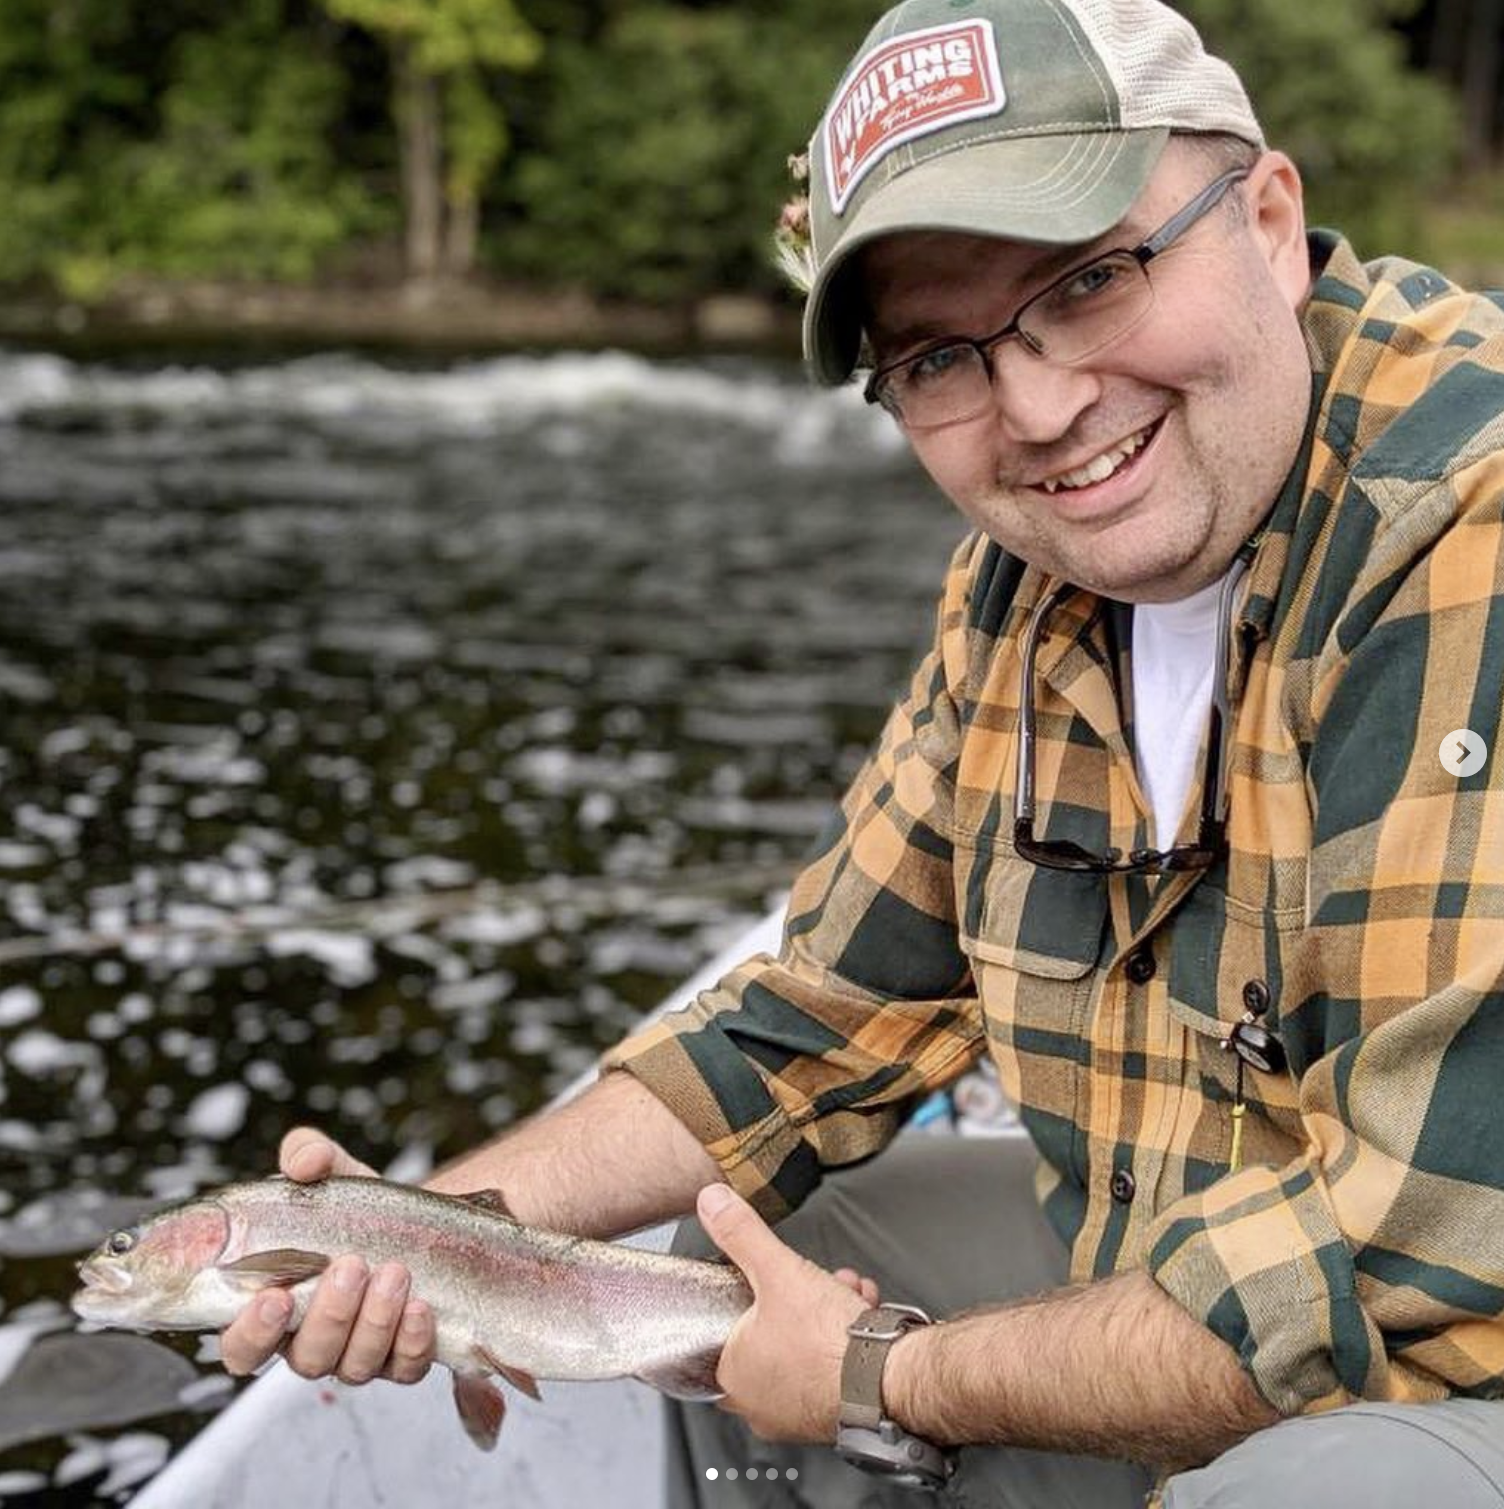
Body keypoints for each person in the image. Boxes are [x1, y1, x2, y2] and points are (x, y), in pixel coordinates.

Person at [221, 0, 1504, 1503]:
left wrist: (882, 1381)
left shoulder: (1463, 534)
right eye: (940, 358)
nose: (1039, 409)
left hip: (1460, 1328)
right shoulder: (1031, 584)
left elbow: (1426, 1259)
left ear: (1271, 222)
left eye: (1091, 279)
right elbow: (819, 1015)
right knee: (755, 1262)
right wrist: (414, 1231)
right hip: (1205, 1247)